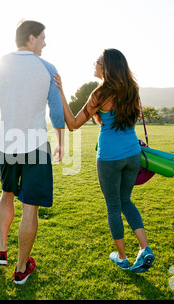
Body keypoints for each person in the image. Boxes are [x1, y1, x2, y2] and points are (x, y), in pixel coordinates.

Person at [0, 20, 65, 284]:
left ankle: (1, 250)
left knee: (6, 194)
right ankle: (22, 267)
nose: (45, 43)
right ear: (32, 38)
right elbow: (56, 113)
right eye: (43, 38)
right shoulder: (48, 69)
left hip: (6, 146)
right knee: (30, 208)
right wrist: (61, 141)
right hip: (36, 147)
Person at [54, 49, 155, 273]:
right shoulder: (132, 89)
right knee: (126, 201)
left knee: (113, 207)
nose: (95, 64)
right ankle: (144, 248)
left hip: (110, 157)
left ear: (107, 67)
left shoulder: (99, 95)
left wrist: (61, 92)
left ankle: (122, 257)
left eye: (98, 62)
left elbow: (73, 124)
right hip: (132, 155)